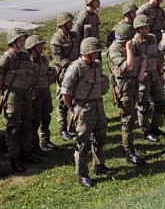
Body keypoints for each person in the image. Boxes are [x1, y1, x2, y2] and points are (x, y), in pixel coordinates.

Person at [60, 37, 116, 188]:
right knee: (82, 143)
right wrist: (72, 109)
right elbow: (66, 92)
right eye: (96, 51)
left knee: (100, 138)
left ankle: (99, 165)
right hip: (83, 109)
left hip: (98, 106)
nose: (98, 54)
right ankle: (82, 174)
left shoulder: (96, 65)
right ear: (87, 52)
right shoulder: (75, 68)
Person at [0, 28, 37, 172]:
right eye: (20, 40)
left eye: (23, 40)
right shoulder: (6, 58)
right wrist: (1, 93)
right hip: (12, 95)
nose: (23, 43)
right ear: (12, 42)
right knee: (13, 128)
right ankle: (15, 158)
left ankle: (26, 153)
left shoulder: (25, 56)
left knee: (27, 125)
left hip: (25, 94)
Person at [107, 22, 148, 166]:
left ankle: (129, 146)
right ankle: (128, 151)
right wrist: (129, 49)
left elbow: (143, 57)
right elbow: (129, 67)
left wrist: (142, 72)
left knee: (133, 116)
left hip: (134, 84)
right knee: (127, 119)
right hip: (123, 87)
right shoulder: (114, 51)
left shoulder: (132, 45)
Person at [133, 14, 165, 142]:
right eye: (142, 28)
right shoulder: (134, 42)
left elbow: (158, 55)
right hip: (143, 77)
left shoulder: (152, 38)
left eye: (146, 27)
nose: (145, 30)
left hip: (155, 74)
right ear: (137, 29)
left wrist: (160, 70)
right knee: (144, 104)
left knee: (162, 102)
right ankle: (145, 130)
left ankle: (155, 126)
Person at [51, 12, 81, 142]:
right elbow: (58, 58)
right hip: (64, 74)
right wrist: (72, 65)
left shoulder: (75, 35)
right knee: (63, 102)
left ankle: (74, 125)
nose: (72, 24)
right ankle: (62, 128)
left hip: (76, 71)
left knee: (77, 98)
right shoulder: (56, 40)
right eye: (69, 22)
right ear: (63, 24)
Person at [26, 35, 57, 154]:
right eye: (39, 46)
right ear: (32, 48)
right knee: (35, 120)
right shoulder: (27, 62)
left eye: (41, 46)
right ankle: (35, 145)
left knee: (46, 117)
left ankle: (45, 140)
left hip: (45, 92)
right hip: (34, 95)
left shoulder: (43, 59)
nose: (41, 48)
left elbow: (47, 71)